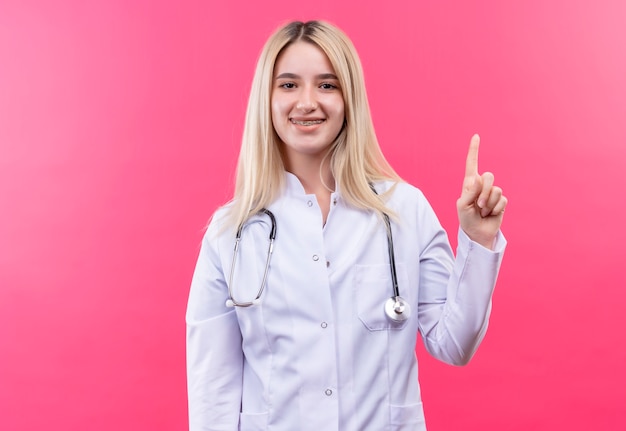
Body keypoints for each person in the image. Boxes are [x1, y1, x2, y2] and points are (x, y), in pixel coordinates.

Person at [186, 20, 507, 431]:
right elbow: (213, 389)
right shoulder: (229, 232)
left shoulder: (404, 211)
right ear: (265, 100)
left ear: (349, 98)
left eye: (327, 85)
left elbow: (454, 344)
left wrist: (478, 240)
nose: (307, 102)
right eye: (288, 85)